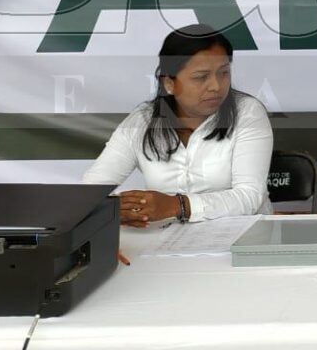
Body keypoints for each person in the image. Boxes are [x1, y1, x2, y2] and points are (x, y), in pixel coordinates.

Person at [82, 25, 274, 226]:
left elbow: (249, 197)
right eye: (201, 77)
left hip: (244, 237)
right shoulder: (142, 121)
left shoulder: (247, 112)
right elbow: (91, 189)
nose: (216, 86)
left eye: (224, 73)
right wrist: (118, 211)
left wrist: (177, 205)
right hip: (165, 239)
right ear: (170, 84)